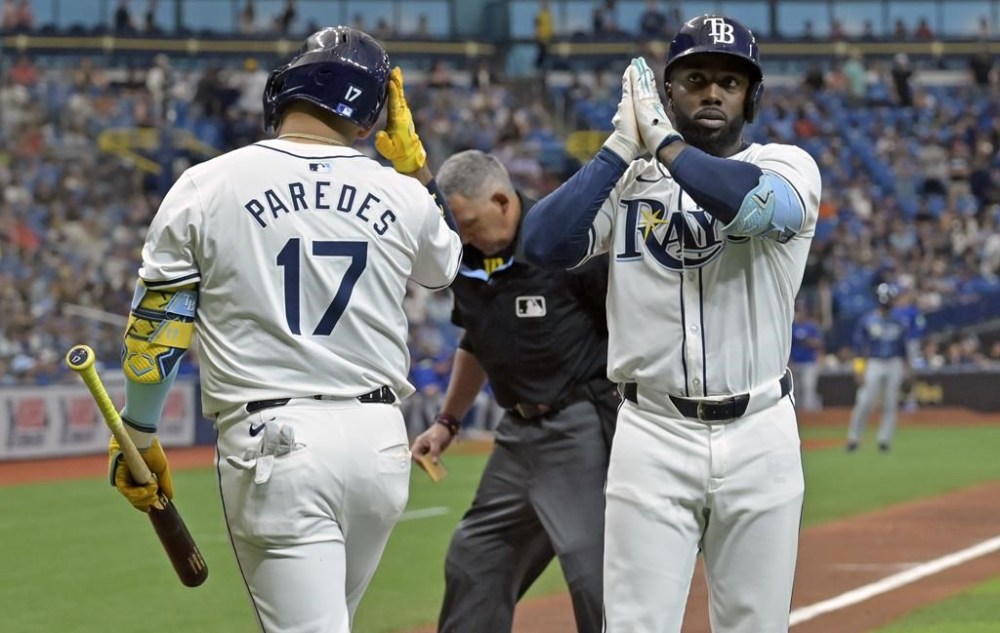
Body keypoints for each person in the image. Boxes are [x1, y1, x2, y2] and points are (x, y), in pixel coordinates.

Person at [106, 26, 462, 633]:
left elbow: (159, 324)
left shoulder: (208, 183)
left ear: (287, 87)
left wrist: (138, 431)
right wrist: (416, 169)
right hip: (379, 445)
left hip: (276, 444)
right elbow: (446, 265)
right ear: (376, 113)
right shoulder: (400, 193)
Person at [521, 14, 822, 632]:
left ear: (751, 97)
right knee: (634, 624)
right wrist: (617, 150)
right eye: (694, 79)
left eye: (729, 82)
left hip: (760, 428)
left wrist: (663, 143)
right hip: (651, 432)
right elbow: (541, 245)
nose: (712, 92)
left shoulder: (787, 165)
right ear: (666, 93)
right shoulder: (629, 177)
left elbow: (749, 207)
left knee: (754, 625)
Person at [377, 98, 618, 629]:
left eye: (466, 223)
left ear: (504, 202)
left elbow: (629, 329)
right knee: (475, 557)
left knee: (592, 574)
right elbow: (474, 340)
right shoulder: (463, 256)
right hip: (517, 437)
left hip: (579, 425)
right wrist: (447, 420)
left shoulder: (567, 242)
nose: (458, 236)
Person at [846, 284, 912, 453]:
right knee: (864, 400)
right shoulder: (868, 320)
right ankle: (853, 437)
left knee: (890, 402)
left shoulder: (898, 321)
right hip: (874, 362)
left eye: (889, 300)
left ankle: (884, 440)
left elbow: (904, 349)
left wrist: (908, 369)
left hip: (894, 362)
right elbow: (860, 348)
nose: (887, 303)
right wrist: (859, 370)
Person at [790, 300, 824, 412]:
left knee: (809, 388)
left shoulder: (812, 326)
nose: (800, 314)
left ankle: (810, 414)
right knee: (796, 390)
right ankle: (798, 413)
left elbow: (819, 344)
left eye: (802, 311)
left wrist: (806, 341)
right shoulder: (792, 327)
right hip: (796, 362)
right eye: (798, 311)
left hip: (809, 362)